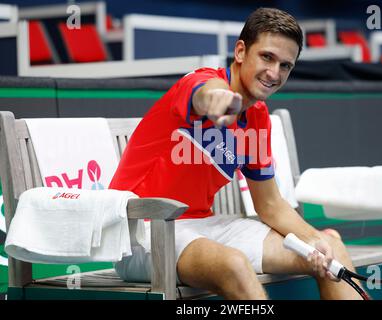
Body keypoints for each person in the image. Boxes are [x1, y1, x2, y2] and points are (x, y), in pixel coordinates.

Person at [110, 7, 363, 300]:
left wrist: (313, 240)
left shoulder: (257, 117)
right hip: (144, 231)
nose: (274, 73)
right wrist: (222, 100)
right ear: (241, 51)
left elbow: (269, 205)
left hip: (205, 226)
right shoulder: (198, 82)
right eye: (267, 57)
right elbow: (208, 92)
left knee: (331, 248)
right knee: (233, 264)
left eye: (285, 66)